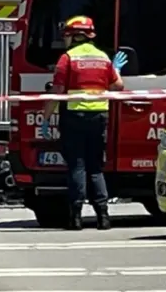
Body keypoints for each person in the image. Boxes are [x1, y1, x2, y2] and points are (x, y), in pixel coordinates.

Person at [40, 16, 126, 230]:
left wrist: (46, 118)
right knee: (96, 168)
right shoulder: (103, 58)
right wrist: (117, 70)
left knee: (77, 166)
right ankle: (103, 217)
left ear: (75, 36)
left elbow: (58, 91)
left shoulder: (67, 58)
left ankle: (75, 217)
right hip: (99, 117)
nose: (66, 40)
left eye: (67, 36)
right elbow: (118, 86)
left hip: (74, 117)